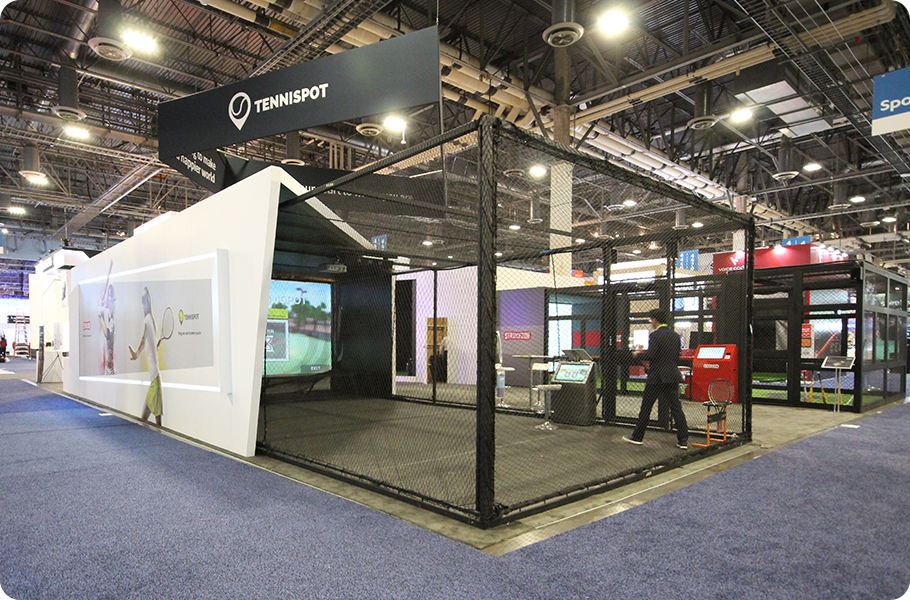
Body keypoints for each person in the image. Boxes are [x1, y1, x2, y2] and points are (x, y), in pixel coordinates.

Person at [623, 308, 688, 449]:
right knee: (676, 407)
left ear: (655, 320)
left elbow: (651, 355)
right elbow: (676, 356)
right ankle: (683, 440)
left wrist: (637, 355)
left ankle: (637, 436)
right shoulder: (675, 336)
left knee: (646, 407)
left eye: (651, 320)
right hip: (671, 375)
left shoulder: (655, 336)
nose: (651, 322)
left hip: (657, 376)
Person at [129, 287, 162, 426]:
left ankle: (160, 435)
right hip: (155, 376)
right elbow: (148, 342)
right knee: (151, 415)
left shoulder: (147, 320)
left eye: (145, 302)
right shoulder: (151, 320)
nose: (143, 306)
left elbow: (143, 340)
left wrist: (136, 353)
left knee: (153, 414)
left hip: (155, 376)